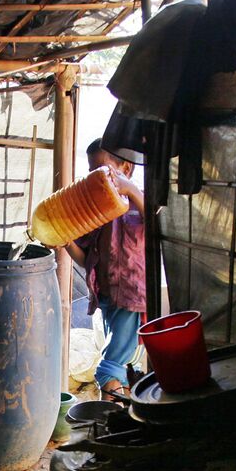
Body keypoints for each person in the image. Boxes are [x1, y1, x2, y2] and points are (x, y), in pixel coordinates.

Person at [62, 139, 146, 399]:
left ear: (126, 169)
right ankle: (125, 417)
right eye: (91, 173)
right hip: (108, 298)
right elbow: (86, 258)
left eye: (102, 171)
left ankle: (107, 421)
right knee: (122, 365)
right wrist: (65, 242)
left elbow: (160, 230)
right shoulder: (97, 209)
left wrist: (131, 190)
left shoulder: (141, 203)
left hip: (131, 298)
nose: (94, 179)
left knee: (108, 368)